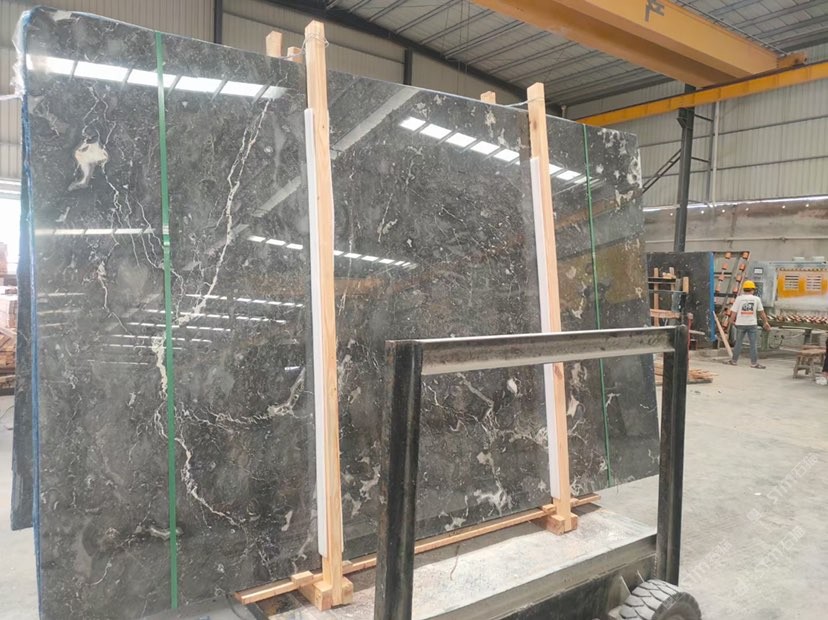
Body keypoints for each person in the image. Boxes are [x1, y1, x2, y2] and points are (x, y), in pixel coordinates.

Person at [727, 280, 771, 369]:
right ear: (752, 290)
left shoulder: (739, 299)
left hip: (740, 324)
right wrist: (765, 322)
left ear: (744, 289)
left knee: (738, 343)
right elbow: (761, 312)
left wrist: (731, 321)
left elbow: (734, 312)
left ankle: (734, 361)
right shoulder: (756, 299)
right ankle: (754, 363)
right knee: (753, 344)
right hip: (752, 324)